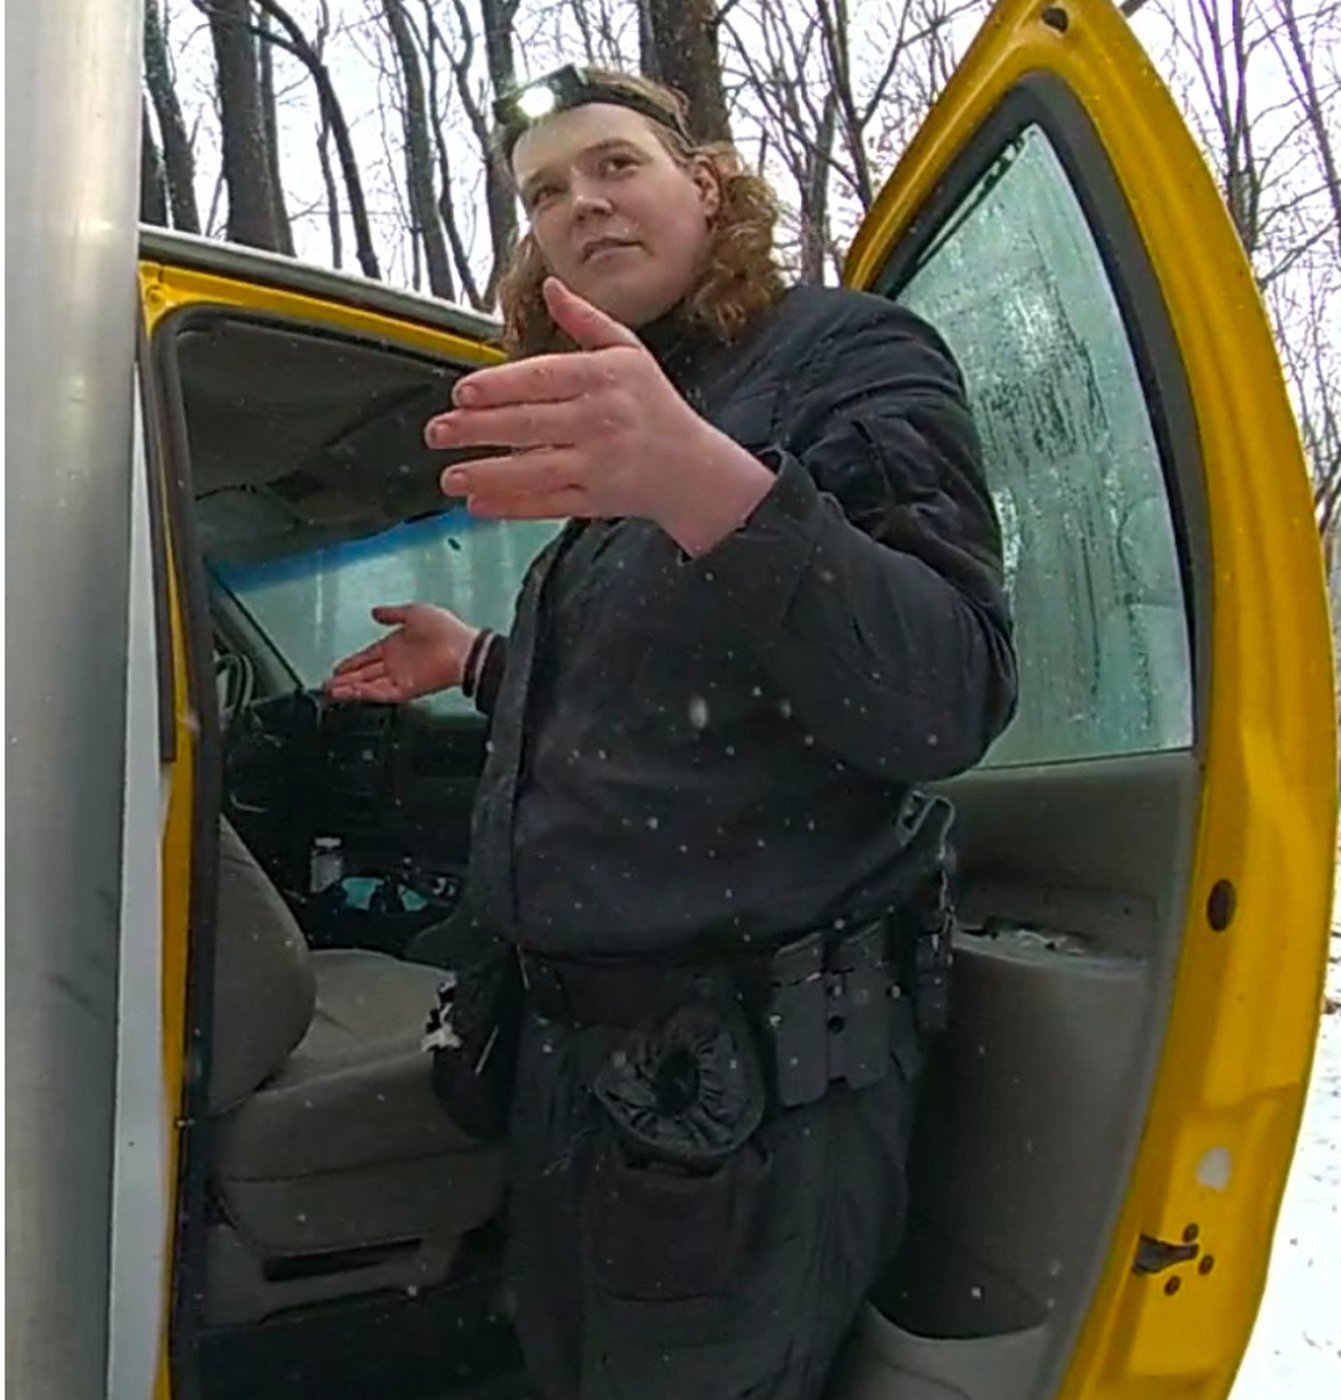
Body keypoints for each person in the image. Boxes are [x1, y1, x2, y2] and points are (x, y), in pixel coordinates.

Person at [326, 65, 1016, 1400]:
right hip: (575, 1077)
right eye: (543, 193)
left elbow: (946, 691)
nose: (578, 203)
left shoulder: (844, 356)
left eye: (612, 166)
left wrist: (699, 477)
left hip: (747, 1106)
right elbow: (653, 689)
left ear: (705, 186)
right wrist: (474, 659)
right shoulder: (618, 409)